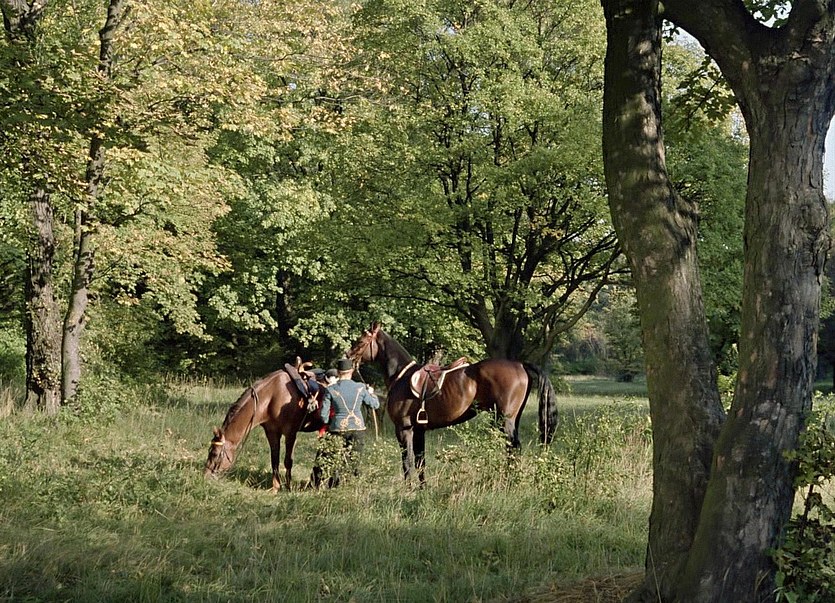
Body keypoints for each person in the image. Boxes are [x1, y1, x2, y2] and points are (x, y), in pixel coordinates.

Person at [314, 358, 379, 487]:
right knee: (354, 459)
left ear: (338, 372)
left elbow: (324, 415)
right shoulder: (360, 387)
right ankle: (349, 485)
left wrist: (329, 423)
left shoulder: (331, 389)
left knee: (334, 458)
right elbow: (374, 404)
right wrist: (372, 394)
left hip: (337, 429)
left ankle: (333, 484)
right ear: (352, 371)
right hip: (358, 428)